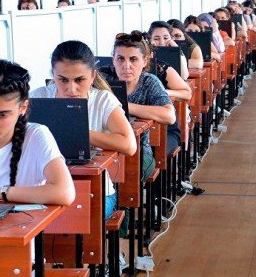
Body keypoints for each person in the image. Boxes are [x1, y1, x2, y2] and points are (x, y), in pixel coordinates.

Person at [31, 40, 137, 219]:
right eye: (63, 80)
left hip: (95, 190)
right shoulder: (37, 98)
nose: (71, 88)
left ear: (93, 76)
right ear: (53, 75)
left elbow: (129, 145)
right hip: (44, 190)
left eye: (79, 80)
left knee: (72, 217)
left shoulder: (103, 100)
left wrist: (77, 133)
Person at [0, 59, 75, 206]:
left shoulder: (35, 135)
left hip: (20, 220)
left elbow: (65, 192)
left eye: (2, 114)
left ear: (23, 108)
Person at [99, 31, 177, 178]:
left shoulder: (149, 82)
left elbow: (169, 116)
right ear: (113, 59)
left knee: (127, 170)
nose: (126, 66)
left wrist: (121, 107)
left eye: (133, 59)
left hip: (139, 150)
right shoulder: (102, 78)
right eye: (120, 59)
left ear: (144, 61)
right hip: (102, 147)